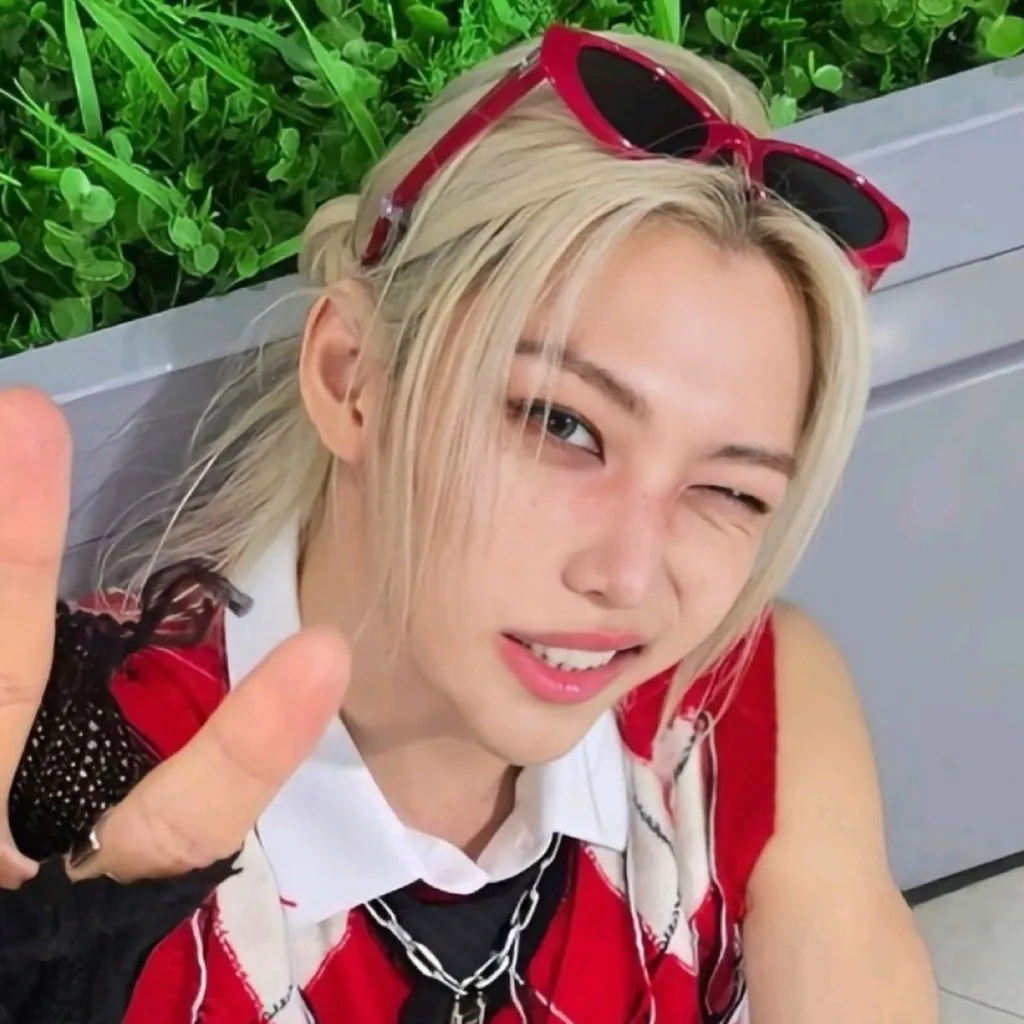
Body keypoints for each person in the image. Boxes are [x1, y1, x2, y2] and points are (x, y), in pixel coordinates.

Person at [0, 22, 937, 1024]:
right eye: (561, 423)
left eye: (731, 491)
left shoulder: (730, 715)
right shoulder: (67, 784)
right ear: (352, 378)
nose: (627, 576)